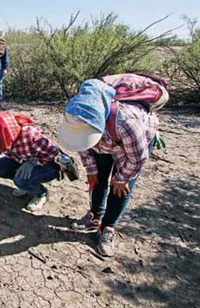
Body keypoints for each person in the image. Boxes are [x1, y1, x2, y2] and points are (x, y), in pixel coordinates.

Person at [58, 78, 166, 257]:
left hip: (130, 147)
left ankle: (107, 227)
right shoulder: (75, 115)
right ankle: (95, 215)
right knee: (97, 179)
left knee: (120, 189)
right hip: (106, 142)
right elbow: (81, 144)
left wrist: (122, 178)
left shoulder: (126, 122)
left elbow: (138, 158)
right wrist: (91, 170)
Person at [0, 111, 77, 211]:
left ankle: (40, 194)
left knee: (19, 180)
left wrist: (32, 163)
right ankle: (27, 186)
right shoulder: (1, 137)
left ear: (5, 134)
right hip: (24, 161)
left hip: (48, 166)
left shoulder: (30, 135)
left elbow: (54, 153)